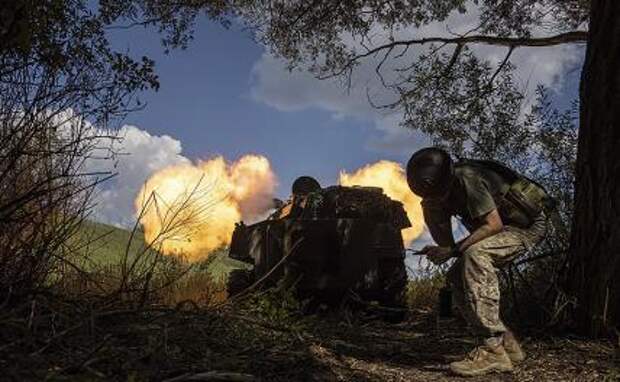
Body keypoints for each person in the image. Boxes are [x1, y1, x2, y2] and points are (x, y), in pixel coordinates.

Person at [406, 147, 553, 377]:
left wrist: (453, 250)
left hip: (525, 228)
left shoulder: (468, 178)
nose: (436, 199)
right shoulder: (436, 196)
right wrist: (436, 220)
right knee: (455, 274)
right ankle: (507, 346)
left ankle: (492, 350)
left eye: (438, 194)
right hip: (500, 230)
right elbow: (447, 244)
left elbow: (494, 225)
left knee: (476, 255)